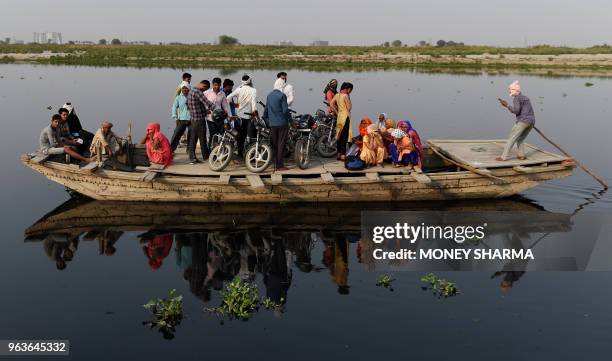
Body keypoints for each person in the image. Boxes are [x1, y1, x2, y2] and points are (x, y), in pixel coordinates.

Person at [496, 80, 536, 161]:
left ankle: (503, 157)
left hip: (523, 121)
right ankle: (521, 155)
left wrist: (507, 105)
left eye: (510, 89)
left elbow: (516, 111)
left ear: (515, 90)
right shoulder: (526, 98)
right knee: (520, 138)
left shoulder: (516, 98)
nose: (509, 91)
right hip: (531, 122)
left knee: (511, 138)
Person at [225, 74, 258, 156]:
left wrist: (234, 104)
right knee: (251, 136)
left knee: (240, 136)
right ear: (250, 81)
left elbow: (227, 98)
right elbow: (253, 104)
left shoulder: (239, 89)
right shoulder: (253, 90)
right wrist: (255, 113)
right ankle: (251, 155)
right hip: (248, 116)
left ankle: (240, 153)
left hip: (239, 116)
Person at [263, 80, 290, 171]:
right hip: (282, 124)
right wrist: (290, 120)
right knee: (281, 144)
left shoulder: (269, 95)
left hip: (272, 124)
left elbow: (265, 111)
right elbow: (285, 110)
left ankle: (274, 163)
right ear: (281, 86)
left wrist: (267, 121)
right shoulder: (282, 96)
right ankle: (279, 165)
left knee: (274, 144)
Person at [186, 80, 216, 163]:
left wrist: (203, 111)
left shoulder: (191, 91)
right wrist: (216, 109)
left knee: (193, 138)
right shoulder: (198, 92)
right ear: (202, 85)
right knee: (202, 138)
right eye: (204, 88)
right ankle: (206, 157)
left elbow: (187, 105)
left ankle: (192, 157)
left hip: (193, 119)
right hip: (199, 119)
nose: (204, 90)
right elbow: (207, 102)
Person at [329, 82, 353, 160]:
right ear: (348, 89)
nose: (350, 91)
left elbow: (331, 104)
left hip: (339, 117)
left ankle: (338, 154)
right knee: (344, 136)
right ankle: (343, 155)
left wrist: (336, 112)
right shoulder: (345, 96)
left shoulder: (337, 95)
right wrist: (349, 98)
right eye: (350, 90)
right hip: (345, 117)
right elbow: (349, 107)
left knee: (339, 135)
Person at [204, 77, 230, 145]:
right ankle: (210, 150)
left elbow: (225, 106)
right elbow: (202, 102)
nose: (217, 86)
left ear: (220, 85)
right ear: (212, 85)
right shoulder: (207, 93)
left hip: (219, 117)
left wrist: (227, 113)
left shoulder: (222, 94)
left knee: (220, 133)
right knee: (213, 134)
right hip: (209, 117)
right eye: (215, 85)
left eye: (218, 85)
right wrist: (205, 110)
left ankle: (217, 149)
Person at [170, 81, 192, 151]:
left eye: (186, 88)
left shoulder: (192, 97)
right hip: (181, 120)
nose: (185, 90)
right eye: (183, 88)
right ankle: (171, 150)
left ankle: (189, 150)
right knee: (176, 134)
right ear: (181, 89)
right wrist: (175, 118)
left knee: (191, 135)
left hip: (192, 119)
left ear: (189, 89)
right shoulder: (178, 98)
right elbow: (174, 107)